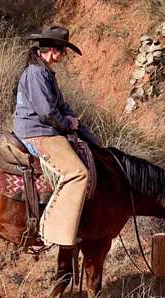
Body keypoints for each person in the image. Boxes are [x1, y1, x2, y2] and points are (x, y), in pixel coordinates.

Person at [12, 25, 101, 248]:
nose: (64, 56)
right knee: (78, 173)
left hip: (43, 129)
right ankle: (53, 232)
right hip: (36, 132)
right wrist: (66, 123)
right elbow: (46, 112)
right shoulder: (36, 73)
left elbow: (60, 105)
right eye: (63, 52)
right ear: (54, 51)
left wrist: (74, 121)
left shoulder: (44, 72)